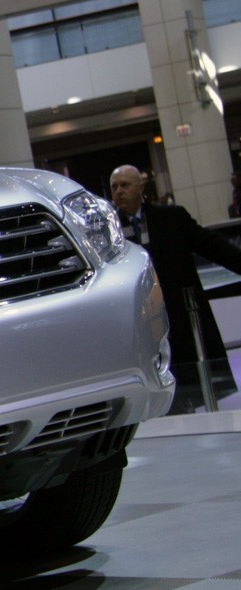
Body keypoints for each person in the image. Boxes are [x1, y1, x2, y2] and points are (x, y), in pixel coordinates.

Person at [110, 164, 241, 411]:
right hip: (141, 325)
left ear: (141, 187)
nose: (119, 192)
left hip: (182, 315)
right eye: (114, 187)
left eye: (125, 185)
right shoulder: (109, 232)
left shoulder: (172, 218)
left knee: (197, 383)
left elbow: (214, 247)